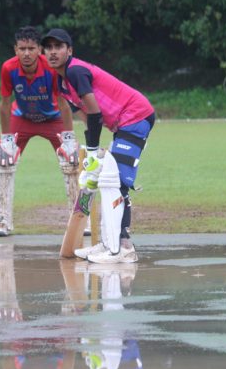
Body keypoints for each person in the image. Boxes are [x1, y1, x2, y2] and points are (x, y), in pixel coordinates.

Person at [42, 29, 155, 264]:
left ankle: (118, 249)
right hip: (121, 125)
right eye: (49, 48)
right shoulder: (61, 83)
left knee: (117, 181)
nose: (53, 52)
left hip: (135, 116)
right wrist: (92, 155)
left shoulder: (75, 71)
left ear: (69, 51)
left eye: (58, 47)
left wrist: (92, 153)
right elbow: (86, 116)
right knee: (112, 180)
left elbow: (95, 114)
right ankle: (115, 244)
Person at [0, 26, 81, 237]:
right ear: (15, 49)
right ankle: (1, 222)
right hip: (22, 118)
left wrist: (68, 138)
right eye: (22, 49)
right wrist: (5, 139)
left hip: (53, 118)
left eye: (31, 48)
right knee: (2, 160)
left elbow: (63, 102)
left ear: (40, 49)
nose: (27, 54)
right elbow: (5, 104)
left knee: (73, 160)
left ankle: (80, 221)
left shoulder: (51, 68)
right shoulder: (8, 68)